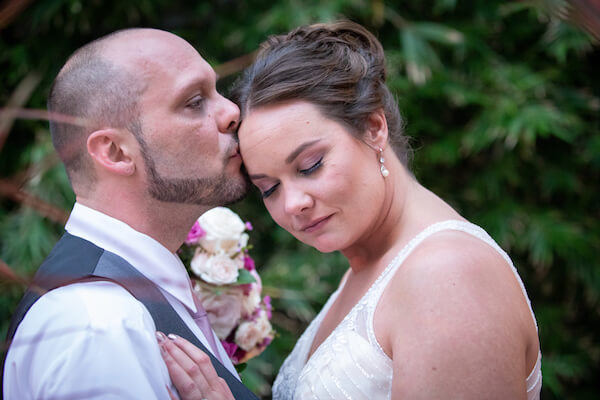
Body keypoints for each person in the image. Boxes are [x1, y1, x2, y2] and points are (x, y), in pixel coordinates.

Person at [160, 21, 542, 399]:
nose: (293, 204)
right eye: (269, 188)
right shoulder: (371, 266)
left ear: (373, 126)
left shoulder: (448, 276)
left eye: (310, 165)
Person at [2, 28, 258, 399]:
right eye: (193, 101)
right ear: (116, 153)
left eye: (216, 91)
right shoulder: (97, 327)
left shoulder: (123, 302)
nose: (232, 111)